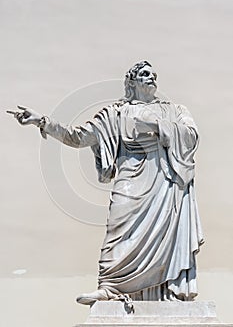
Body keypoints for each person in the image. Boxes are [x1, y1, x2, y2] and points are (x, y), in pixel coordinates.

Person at [7, 61, 204, 305]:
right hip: (130, 182)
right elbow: (77, 137)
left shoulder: (175, 110)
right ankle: (109, 286)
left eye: (154, 74)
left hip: (165, 182)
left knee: (165, 237)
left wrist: (156, 126)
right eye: (144, 74)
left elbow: (191, 135)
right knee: (117, 232)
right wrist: (42, 122)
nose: (151, 77)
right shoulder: (114, 114)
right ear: (131, 82)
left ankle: (166, 289)